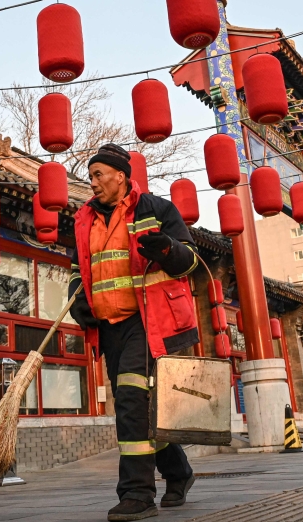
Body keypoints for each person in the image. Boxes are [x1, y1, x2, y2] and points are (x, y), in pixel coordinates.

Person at [68, 144, 199, 522]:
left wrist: (167, 249)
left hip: (149, 321)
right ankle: (179, 473)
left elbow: (189, 262)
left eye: (98, 175)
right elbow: (80, 266)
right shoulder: (83, 220)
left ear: (121, 176)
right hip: (110, 328)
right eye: (90, 176)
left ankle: (138, 494)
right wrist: (79, 298)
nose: (92, 183)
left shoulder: (156, 209)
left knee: (129, 402)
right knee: (138, 408)